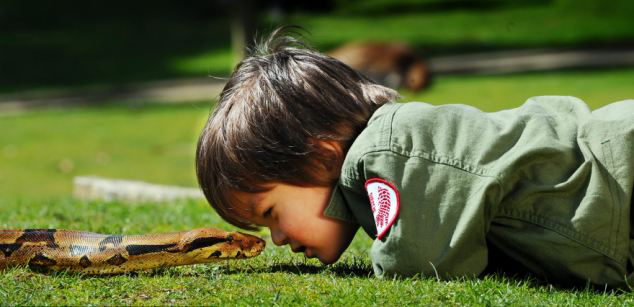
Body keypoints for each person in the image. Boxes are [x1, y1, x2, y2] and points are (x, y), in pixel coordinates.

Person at [195, 28, 634, 288]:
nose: (277, 239)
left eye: (271, 213)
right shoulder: (381, 162)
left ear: (322, 156)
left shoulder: (386, 151)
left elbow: (422, 262)